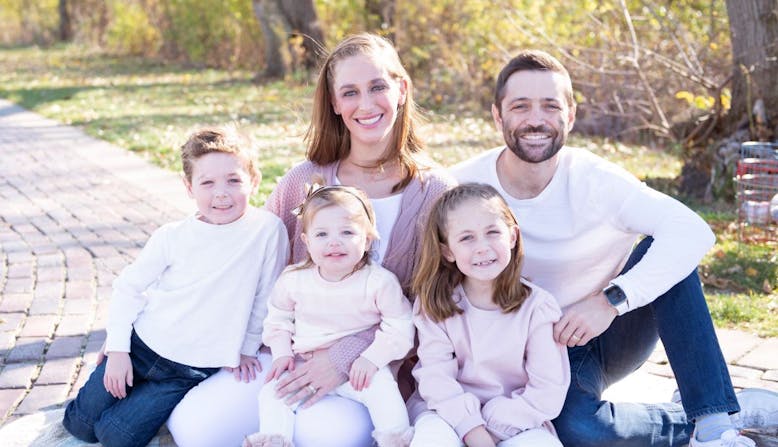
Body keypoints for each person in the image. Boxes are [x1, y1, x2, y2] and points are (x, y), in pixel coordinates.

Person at [452, 49, 778, 447]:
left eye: (550, 106)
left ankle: (713, 426)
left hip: (603, 334)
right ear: (497, 116)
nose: (536, 119)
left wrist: (610, 301)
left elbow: (693, 231)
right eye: (520, 106)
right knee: (577, 431)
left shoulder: (596, 180)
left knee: (671, 249)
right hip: (519, 353)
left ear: (570, 115)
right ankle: (721, 413)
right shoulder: (463, 185)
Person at [168, 33, 455, 447]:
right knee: (194, 427)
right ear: (336, 104)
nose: (366, 103)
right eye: (350, 92)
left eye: (378, 87)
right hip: (288, 357)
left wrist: (343, 357)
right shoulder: (306, 180)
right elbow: (240, 258)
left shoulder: (435, 191)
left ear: (402, 89)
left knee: (323, 437)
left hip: (374, 373)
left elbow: (438, 306)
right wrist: (145, 331)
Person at [61, 127, 289, 447]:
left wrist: (247, 347)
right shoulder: (173, 235)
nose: (221, 193)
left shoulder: (267, 230)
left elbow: (266, 295)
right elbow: (128, 288)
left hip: (187, 371)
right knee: (79, 425)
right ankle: (116, 394)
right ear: (188, 187)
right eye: (207, 183)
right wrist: (118, 349)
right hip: (143, 346)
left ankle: (142, 406)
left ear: (254, 179)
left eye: (233, 180)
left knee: (115, 436)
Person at [244, 184, 414, 447]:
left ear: (367, 240)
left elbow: (400, 325)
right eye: (321, 234)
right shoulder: (293, 280)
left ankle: (395, 439)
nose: (334, 241)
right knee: (273, 392)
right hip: (304, 363)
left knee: (382, 389)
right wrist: (282, 354)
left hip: (359, 366)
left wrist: (372, 359)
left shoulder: (378, 282)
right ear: (307, 242)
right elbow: (278, 320)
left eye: (347, 232)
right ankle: (274, 439)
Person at [408, 183, 569, 447]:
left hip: (516, 420)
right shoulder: (435, 305)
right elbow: (435, 377)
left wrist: (491, 428)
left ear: (513, 237)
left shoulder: (538, 307)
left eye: (492, 232)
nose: (482, 247)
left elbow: (547, 390)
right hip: (446, 413)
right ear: (448, 251)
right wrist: (471, 429)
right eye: (467, 238)